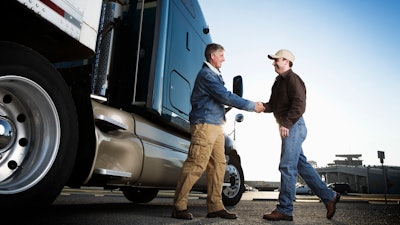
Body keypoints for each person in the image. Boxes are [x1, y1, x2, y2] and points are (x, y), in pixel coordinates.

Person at [172, 43, 265, 220]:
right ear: (212, 56)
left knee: (218, 165)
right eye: (221, 55)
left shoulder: (214, 75)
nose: (224, 58)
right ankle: (178, 206)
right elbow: (225, 96)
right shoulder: (207, 75)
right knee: (196, 164)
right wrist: (253, 106)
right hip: (205, 125)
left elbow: (223, 98)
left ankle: (215, 207)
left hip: (215, 126)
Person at [261, 49, 340, 221]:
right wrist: (260, 106)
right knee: (301, 166)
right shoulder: (277, 82)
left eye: (277, 60)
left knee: (287, 167)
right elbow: (273, 105)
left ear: (287, 61)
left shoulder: (292, 79)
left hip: (294, 126)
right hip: (289, 126)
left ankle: (285, 209)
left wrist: (287, 124)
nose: (274, 62)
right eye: (274, 60)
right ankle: (329, 196)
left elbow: (299, 104)